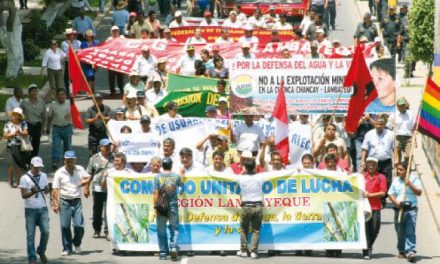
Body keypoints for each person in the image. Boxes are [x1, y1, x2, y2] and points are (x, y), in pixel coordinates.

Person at [52, 151, 91, 256]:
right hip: (64, 202)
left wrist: (85, 186)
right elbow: (55, 189)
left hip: (77, 200)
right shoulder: (59, 173)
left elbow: (88, 177)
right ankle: (67, 248)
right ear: (64, 160)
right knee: (65, 226)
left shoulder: (80, 169)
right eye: (68, 161)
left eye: (72, 161)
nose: (70, 163)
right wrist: (55, 204)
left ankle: (77, 243)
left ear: (75, 160)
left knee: (79, 225)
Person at [388, 162, 422, 262]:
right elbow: (390, 194)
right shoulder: (396, 180)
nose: (398, 171)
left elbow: (419, 192)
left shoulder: (414, 178)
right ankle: (402, 250)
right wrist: (397, 203)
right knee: (400, 231)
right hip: (399, 209)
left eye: (401, 169)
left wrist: (410, 184)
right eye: (398, 169)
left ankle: (410, 251)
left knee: (410, 231)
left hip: (411, 209)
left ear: (407, 170)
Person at [19, 156, 50, 264]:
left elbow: (45, 191)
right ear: (31, 166)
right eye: (36, 167)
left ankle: (41, 251)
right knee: (30, 235)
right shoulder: (24, 178)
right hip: (30, 210)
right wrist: (32, 192)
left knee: (46, 232)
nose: (37, 169)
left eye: (39, 167)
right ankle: (32, 258)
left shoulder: (44, 176)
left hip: (42, 209)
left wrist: (47, 189)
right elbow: (23, 195)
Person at [153, 157, 183, 260]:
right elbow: (182, 187)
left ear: (162, 165)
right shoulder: (176, 176)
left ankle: (163, 253)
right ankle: (173, 247)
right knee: (174, 228)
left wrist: (155, 207)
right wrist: (182, 174)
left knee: (161, 229)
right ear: (171, 165)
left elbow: (156, 193)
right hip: (173, 205)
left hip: (161, 206)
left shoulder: (157, 177)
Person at [86, 139, 113, 240]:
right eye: (105, 146)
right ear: (100, 147)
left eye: (109, 146)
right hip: (97, 189)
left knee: (108, 210)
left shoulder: (115, 157)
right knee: (97, 210)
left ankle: (107, 231)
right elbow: (89, 174)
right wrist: (86, 188)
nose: (108, 148)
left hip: (110, 189)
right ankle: (97, 230)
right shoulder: (94, 158)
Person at [236, 158, 264, 259]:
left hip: (246, 206)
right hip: (258, 206)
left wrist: (242, 171)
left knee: (244, 229)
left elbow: (235, 181)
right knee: (256, 230)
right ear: (255, 167)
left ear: (245, 167)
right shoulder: (260, 177)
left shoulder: (241, 178)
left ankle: (243, 250)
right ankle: (253, 251)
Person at [361, 117, 394, 197]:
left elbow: (394, 148)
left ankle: (383, 197)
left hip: (386, 161)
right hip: (373, 162)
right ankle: (376, 198)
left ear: (384, 125)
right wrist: (362, 161)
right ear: (374, 124)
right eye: (377, 124)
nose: (378, 126)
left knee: (387, 181)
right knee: (374, 180)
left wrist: (396, 160)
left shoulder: (390, 134)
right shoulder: (369, 134)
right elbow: (364, 148)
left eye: (381, 124)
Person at [363, 156, 387, 260]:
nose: (371, 166)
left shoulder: (381, 177)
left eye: (373, 164)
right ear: (366, 165)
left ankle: (368, 246)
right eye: (369, 164)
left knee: (375, 229)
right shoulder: (362, 176)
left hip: (376, 207)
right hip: (365, 207)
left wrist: (370, 195)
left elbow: (382, 193)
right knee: (366, 229)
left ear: (376, 166)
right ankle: (367, 249)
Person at [46, 89, 73, 169]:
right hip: (56, 128)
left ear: (65, 96)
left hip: (67, 127)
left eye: (62, 94)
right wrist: (47, 127)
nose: (61, 96)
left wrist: (71, 115)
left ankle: (68, 162)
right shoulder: (53, 104)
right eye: (59, 94)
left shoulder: (70, 103)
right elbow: (50, 116)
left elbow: (75, 114)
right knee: (56, 146)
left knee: (67, 146)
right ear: (57, 96)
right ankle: (55, 162)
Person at [4, 107, 30, 187]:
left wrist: (20, 132)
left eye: (16, 114)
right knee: (11, 164)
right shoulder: (8, 124)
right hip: (11, 146)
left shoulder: (23, 123)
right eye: (13, 114)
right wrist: (13, 134)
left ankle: (20, 181)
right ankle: (10, 178)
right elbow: (5, 135)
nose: (14, 116)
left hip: (20, 146)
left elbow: (26, 133)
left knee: (19, 164)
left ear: (19, 116)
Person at [20, 84, 46, 158]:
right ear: (29, 93)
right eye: (32, 91)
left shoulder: (41, 102)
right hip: (27, 124)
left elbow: (44, 115)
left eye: (35, 91)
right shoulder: (24, 102)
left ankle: (33, 159)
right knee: (26, 144)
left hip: (38, 124)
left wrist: (43, 127)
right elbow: (19, 113)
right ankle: (25, 160)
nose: (34, 93)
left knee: (36, 143)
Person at [393, 97, 414, 164]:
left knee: (408, 156)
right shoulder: (394, 114)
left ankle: (407, 168)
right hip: (397, 137)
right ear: (397, 106)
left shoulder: (410, 114)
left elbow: (413, 127)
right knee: (397, 157)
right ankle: (398, 170)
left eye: (402, 105)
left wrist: (415, 140)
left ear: (405, 105)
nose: (401, 107)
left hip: (408, 137)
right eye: (399, 106)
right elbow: (389, 126)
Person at [61, 28, 82, 97]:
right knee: (67, 77)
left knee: (77, 76)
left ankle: (76, 90)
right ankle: (68, 92)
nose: (70, 36)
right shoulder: (64, 43)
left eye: (71, 35)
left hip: (76, 62)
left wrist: (74, 51)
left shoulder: (78, 42)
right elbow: (67, 53)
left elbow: (80, 51)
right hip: (68, 62)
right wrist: (75, 51)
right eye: (69, 35)